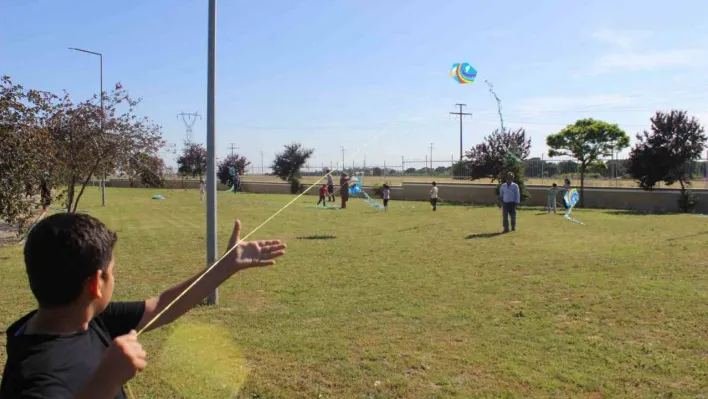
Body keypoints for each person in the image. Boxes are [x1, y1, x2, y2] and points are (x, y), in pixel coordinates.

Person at [0, 213, 286, 399]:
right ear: (96, 284)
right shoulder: (34, 379)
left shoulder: (84, 318)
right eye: (112, 271)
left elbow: (163, 305)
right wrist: (106, 382)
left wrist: (224, 267)